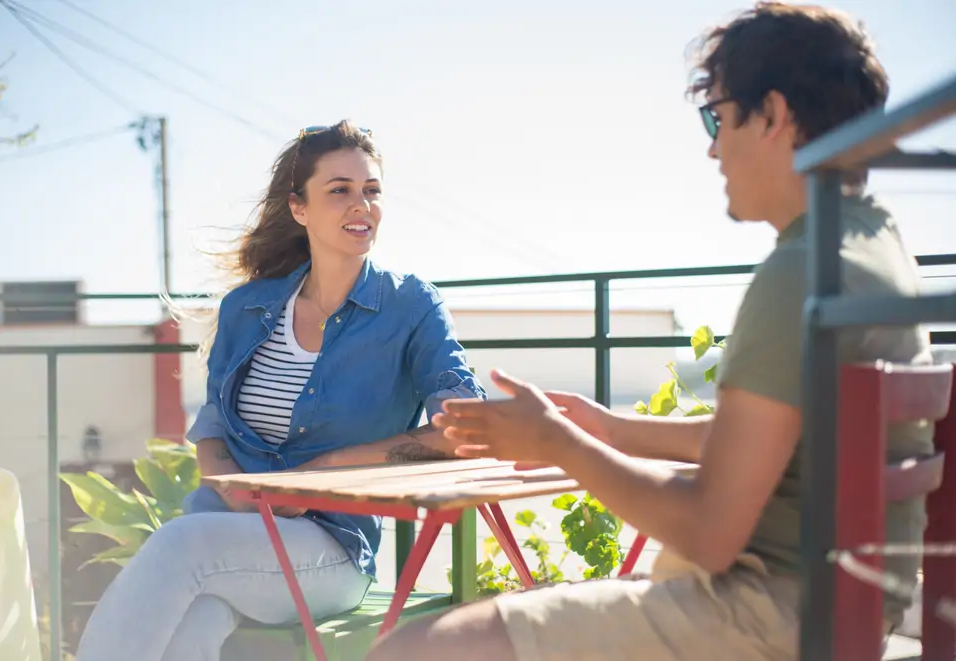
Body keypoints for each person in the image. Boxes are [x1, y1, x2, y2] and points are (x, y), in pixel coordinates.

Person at [366, 4, 934, 660]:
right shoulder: (874, 248)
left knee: (414, 648)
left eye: (717, 117)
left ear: (773, 115)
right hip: (837, 602)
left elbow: (711, 531)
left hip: (768, 610)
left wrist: (559, 443)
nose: (712, 146)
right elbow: (776, 438)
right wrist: (609, 428)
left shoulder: (800, 275)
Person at [76, 121, 485, 661]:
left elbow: (465, 428)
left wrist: (325, 471)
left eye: (371, 191)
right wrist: (233, 486)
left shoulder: (411, 308)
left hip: (329, 548)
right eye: (339, 191)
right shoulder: (246, 308)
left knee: (180, 548)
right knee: (195, 622)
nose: (360, 205)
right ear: (299, 208)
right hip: (225, 527)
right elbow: (214, 430)